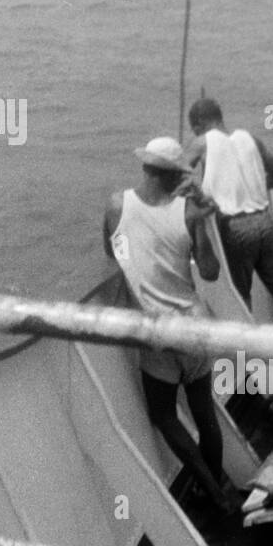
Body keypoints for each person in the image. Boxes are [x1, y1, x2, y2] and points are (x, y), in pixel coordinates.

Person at [103, 137, 235, 515]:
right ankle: (216, 489)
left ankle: (213, 491)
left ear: (145, 167)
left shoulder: (115, 205)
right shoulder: (190, 212)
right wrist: (205, 219)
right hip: (194, 325)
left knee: (163, 415)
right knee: (203, 412)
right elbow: (209, 272)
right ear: (177, 175)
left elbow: (111, 251)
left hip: (158, 332)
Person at [186, 98, 273, 326]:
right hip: (265, 224)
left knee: (241, 301)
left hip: (235, 230)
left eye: (194, 129)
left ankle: (249, 358)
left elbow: (178, 177)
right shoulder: (250, 139)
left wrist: (200, 196)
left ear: (199, 124)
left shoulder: (202, 142)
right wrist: (250, 188)